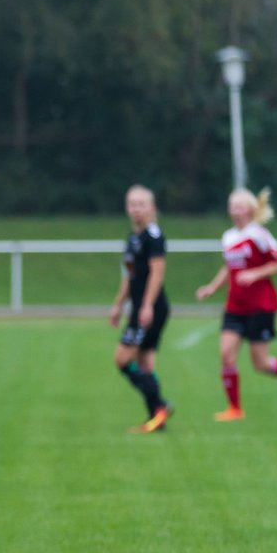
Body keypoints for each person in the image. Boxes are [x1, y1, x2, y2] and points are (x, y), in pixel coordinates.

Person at [195, 187, 277, 420]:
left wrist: (254, 274)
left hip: (261, 305)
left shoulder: (259, 234)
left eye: (239, 206)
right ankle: (235, 408)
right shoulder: (228, 237)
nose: (235, 211)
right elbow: (229, 267)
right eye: (232, 207)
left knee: (261, 364)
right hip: (235, 306)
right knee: (226, 354)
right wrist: (211, 288)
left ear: (250, 209)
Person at [108, 185, 173, 433]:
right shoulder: (133, 238)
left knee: (122, 359)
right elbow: (130, 276)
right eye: (132, 204)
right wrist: (117, 305)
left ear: (152, 207)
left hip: (152, 307)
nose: (136, 208)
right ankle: (157, 417)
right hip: (139, 307)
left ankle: (160, 405)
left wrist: (146, 306)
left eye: (141, 204)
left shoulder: (153, 236)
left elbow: (157, 272)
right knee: (145, 363)